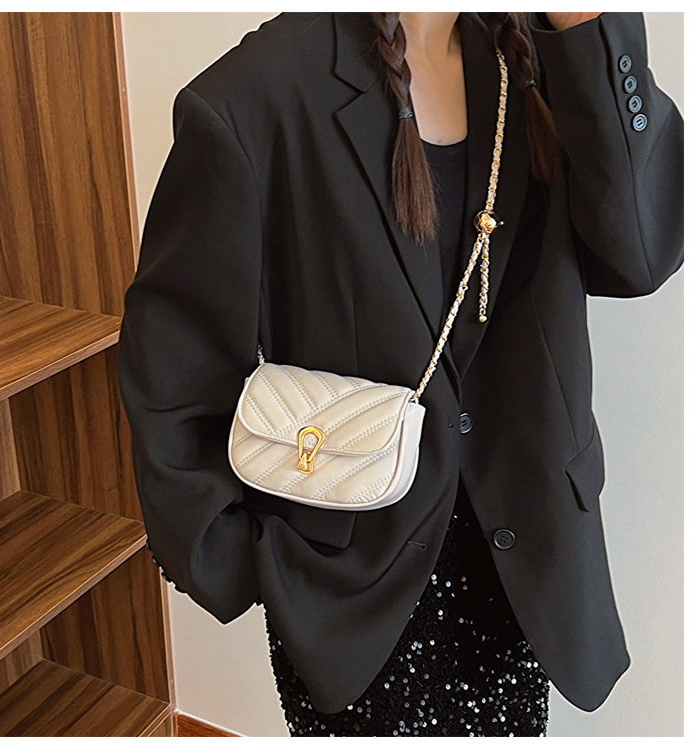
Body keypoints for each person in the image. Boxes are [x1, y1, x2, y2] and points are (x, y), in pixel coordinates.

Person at [117, 12, 683, 738]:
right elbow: (173, 372)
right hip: (354, 608)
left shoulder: (538, 63)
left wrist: (584, 26)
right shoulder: (256, 96)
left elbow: (641, 253)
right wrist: (254, 568)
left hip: (524, 581)